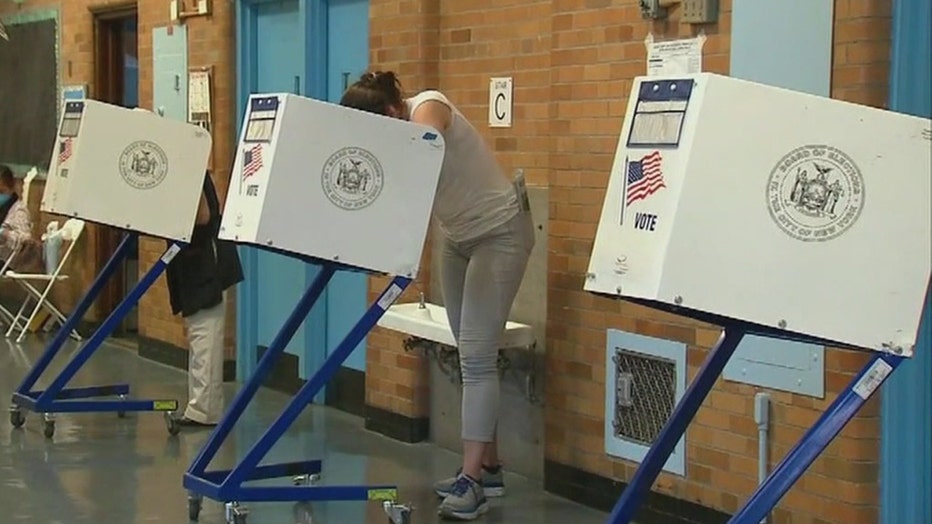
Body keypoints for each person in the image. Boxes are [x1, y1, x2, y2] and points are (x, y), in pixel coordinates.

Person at [340, 71, 535, 520]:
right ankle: (488, 466)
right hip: (457, 237)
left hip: (499, 234)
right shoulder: (396, 127)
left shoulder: (428, 106)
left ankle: (471, 484)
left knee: (478, 355)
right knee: (468, 352)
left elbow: (423, 147)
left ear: (391, 112)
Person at [165, 171, 243, 428]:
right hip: (194, 263)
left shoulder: (192, 172)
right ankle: (201, 406)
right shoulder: (192, 171)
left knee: (205, 335)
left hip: (205, 264)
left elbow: (202, 216)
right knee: (199, 333)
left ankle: (205, 411)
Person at [0, 164, 34, 268]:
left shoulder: (18, 210)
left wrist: (4, 234)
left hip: (5, 260)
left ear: (11, 189)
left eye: (1, 191)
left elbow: (26, 240)